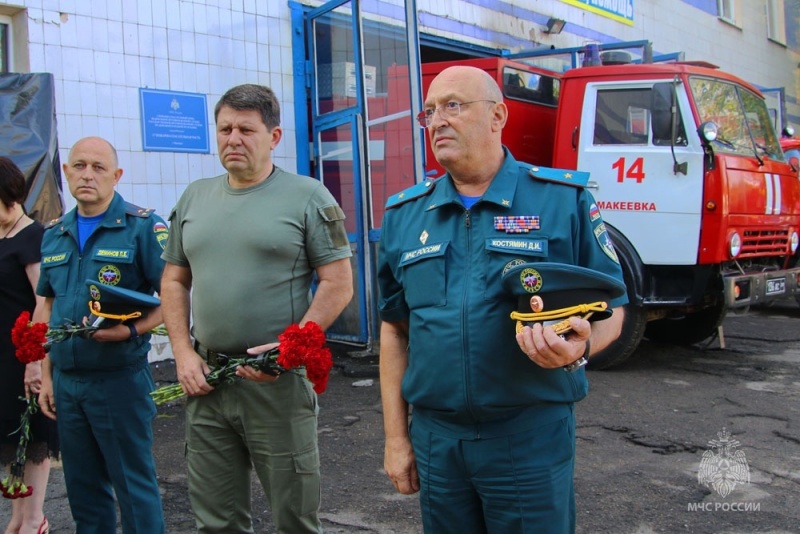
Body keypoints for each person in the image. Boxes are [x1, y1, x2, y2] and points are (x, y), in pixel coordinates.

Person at [377, 65, 628, 533]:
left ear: (498, 116)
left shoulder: (562, 200)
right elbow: (394, 329)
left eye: (453, 105)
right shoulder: (405, 215)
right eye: (428, 111)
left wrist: (583, 345)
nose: (437, 121)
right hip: (437, 439)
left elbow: (614, 307)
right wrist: (396, 438)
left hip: (527, 434)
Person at [161, 83, 353, 533]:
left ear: (274, 137)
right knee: (216, 520)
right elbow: (173, 279)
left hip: (276, 385)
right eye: (225, 128)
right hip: (208, 383)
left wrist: (293, 346)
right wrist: (183, 353)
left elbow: (338, 283)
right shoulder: (194, 197)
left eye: (246, 129)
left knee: (295, 517)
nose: (233, 139)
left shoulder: (308, 196)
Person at [36, 137, 167, 533]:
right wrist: (45, 376)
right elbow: (47, 307)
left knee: (133, 486)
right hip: (68, 383)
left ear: (116, 175)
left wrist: (130, 329)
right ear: (66, 172)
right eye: (78, 166)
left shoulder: (142, 227)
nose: (87, 174)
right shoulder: (54, 233)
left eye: (97, 166)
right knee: (83, 490)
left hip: (118, 381)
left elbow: (173, 299)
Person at [0, 157, 58, 534]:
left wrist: (35, 359)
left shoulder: (31, 236)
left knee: (33, 431)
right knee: (10, 431)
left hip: (23, 354)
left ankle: (35, 518)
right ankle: (18, 517)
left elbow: (43, 300)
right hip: (2, 356)